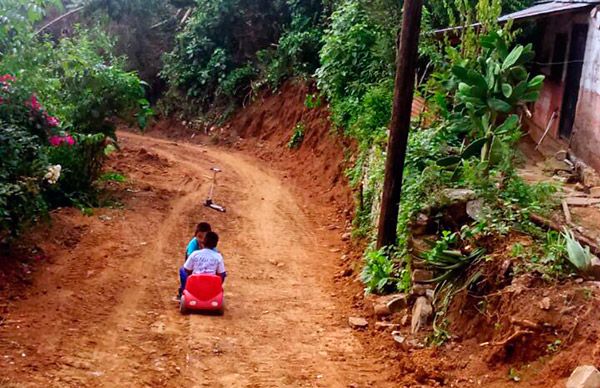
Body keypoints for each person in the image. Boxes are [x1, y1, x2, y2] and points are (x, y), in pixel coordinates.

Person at [176, 231, 227, 301]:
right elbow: (222, 273)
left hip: (195, 283)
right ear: (215, 244)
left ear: (204, 241)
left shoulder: (195, 254)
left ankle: (184, 291)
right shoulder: (218, 256)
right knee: (223, 274)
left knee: (182, 270)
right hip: (210, 285)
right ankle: (215, 291)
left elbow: (186, 269)